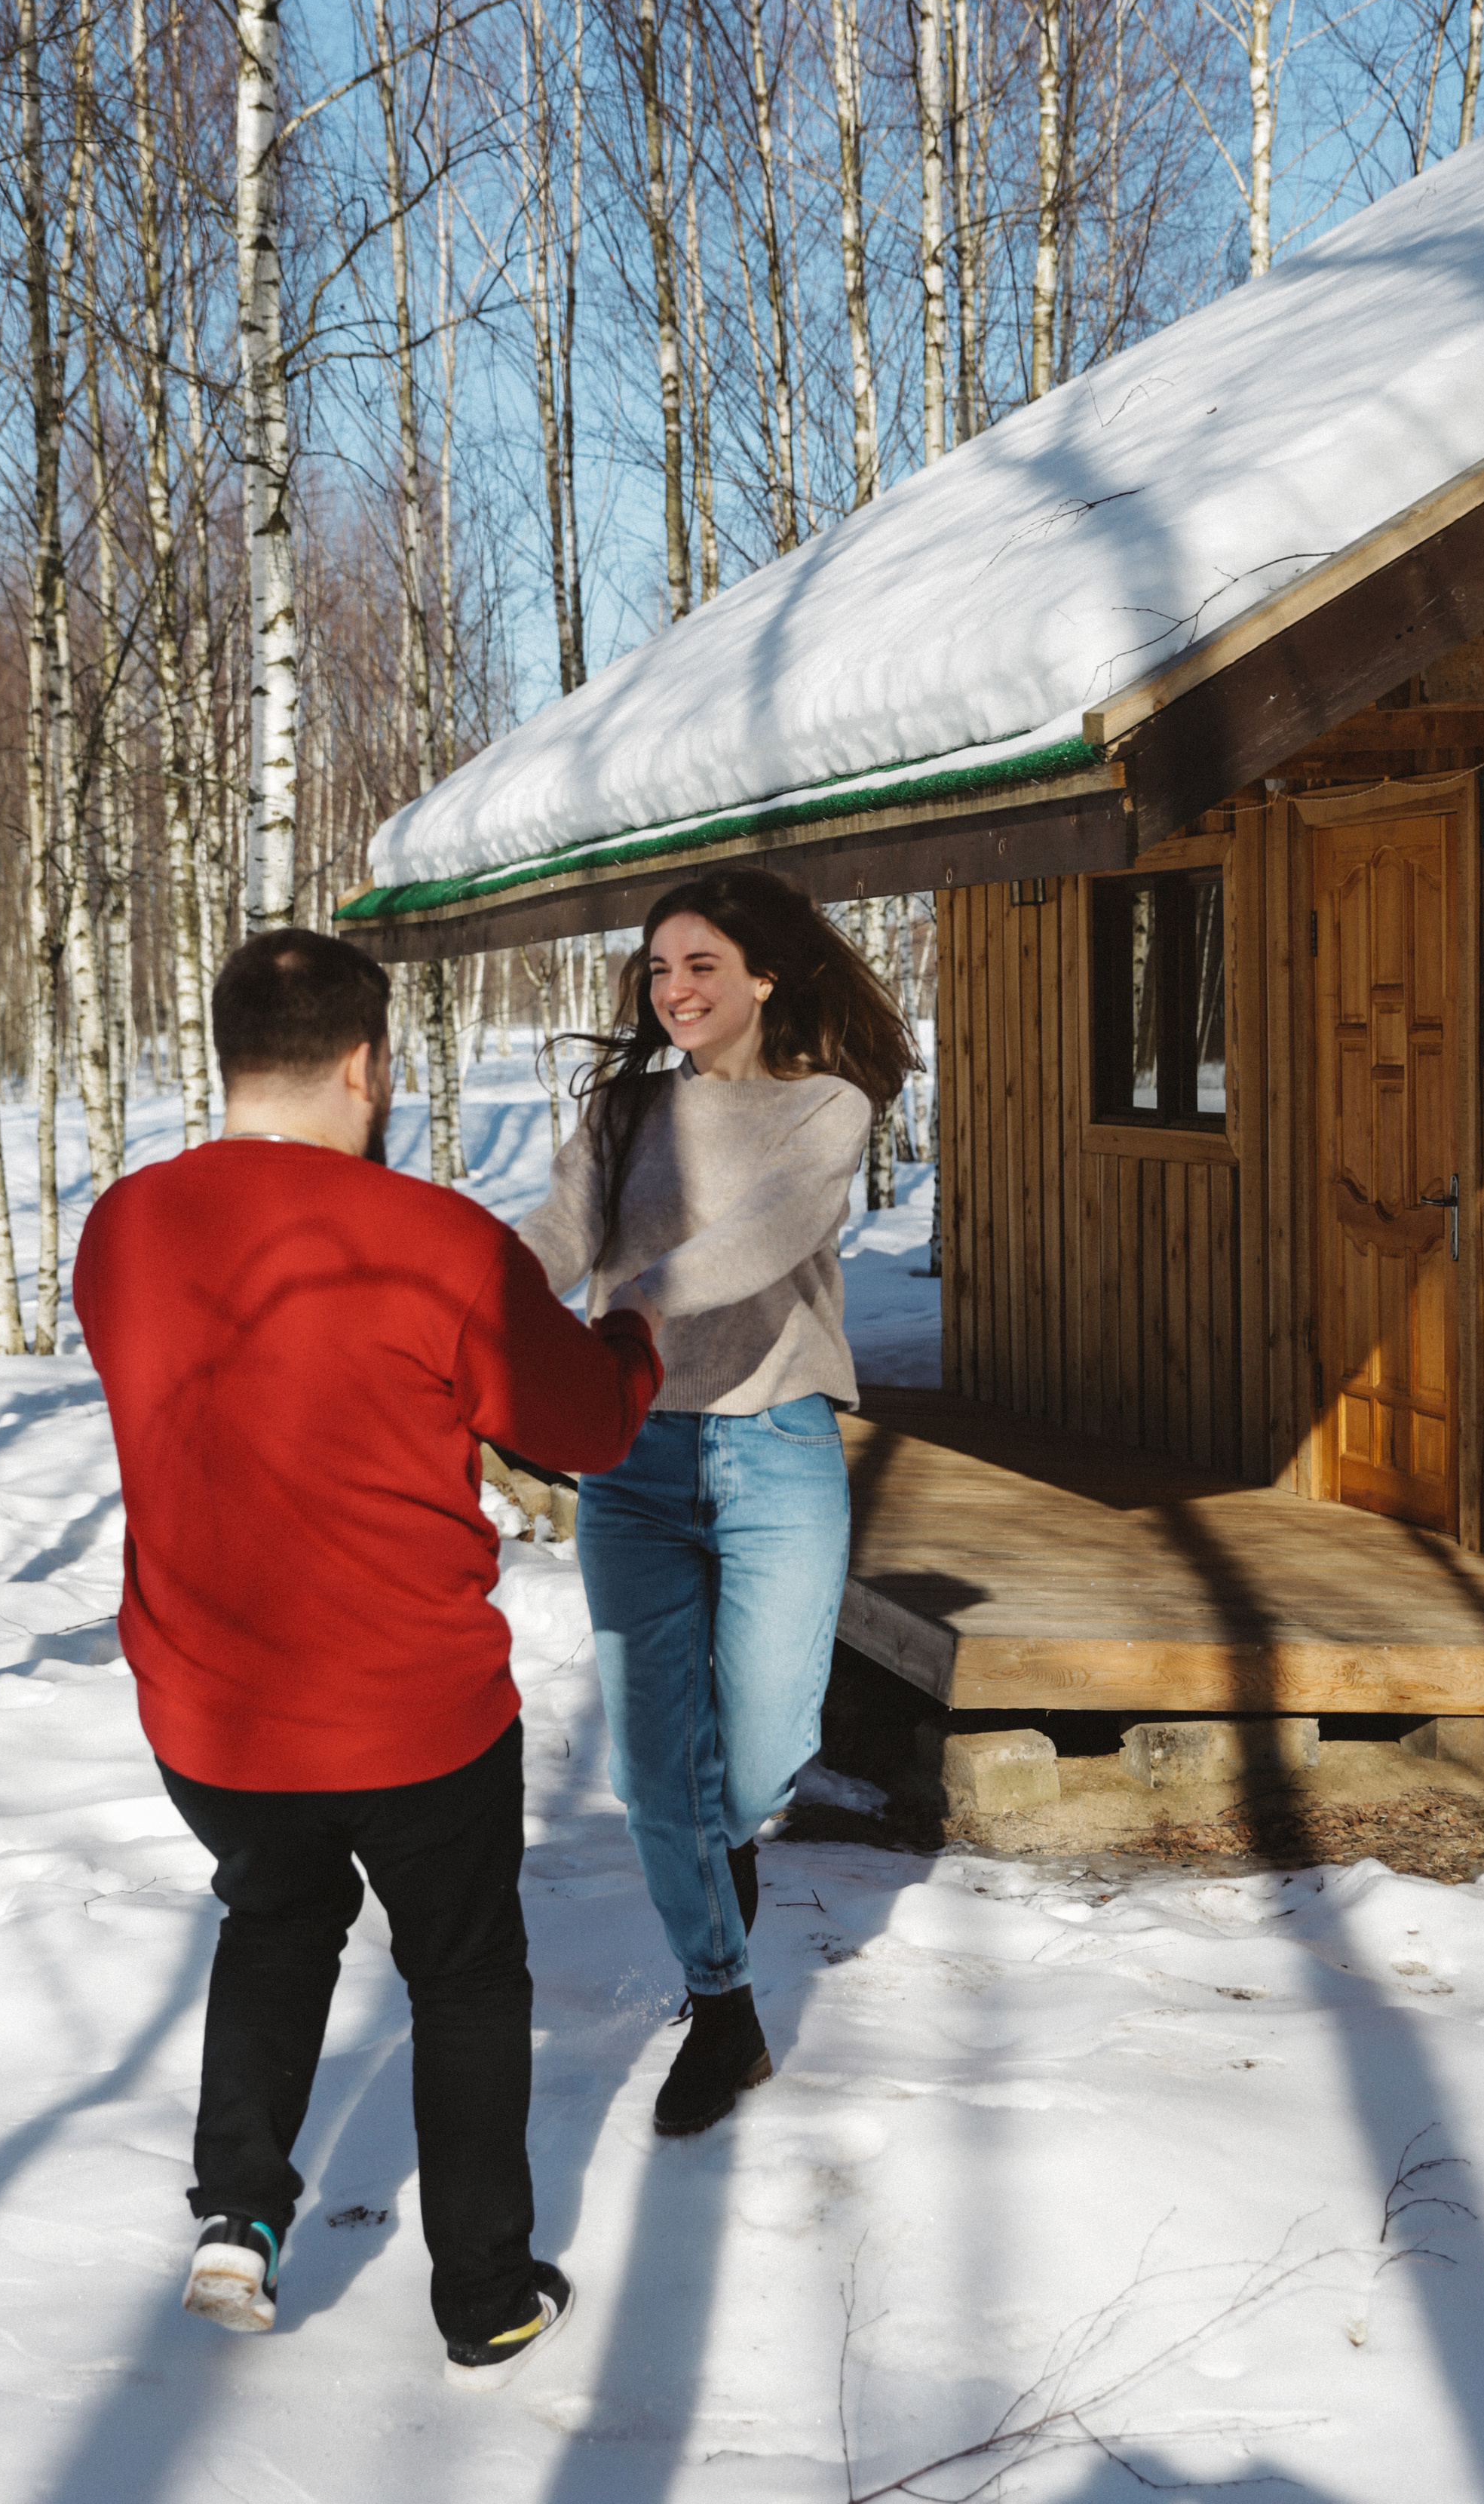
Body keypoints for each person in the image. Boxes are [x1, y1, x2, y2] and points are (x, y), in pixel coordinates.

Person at [72, 930, 662, 2387]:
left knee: (275, 1921)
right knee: (463, 1978)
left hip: (212, 1713)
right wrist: (633, 1335)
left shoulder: (124, 1228)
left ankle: (239, 2214)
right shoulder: (436, 1240)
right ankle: (487, 2296)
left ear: (228, 1058)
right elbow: (585, 1427)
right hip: (413, 1713)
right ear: (367, 1064)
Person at [517, 870, 913, 2138]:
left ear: (764, 976)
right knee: (655, 1771)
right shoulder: (627, 1111)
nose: (675, 990)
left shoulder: (826, 1107)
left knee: (757, 1758)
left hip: (774, 1451)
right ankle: (723, 2007)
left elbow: (761, 1239)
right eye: (659, 969)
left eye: (701, 965)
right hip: (632, 1461)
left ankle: (711, 1854)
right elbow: (556, 1235)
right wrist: (477, 1290)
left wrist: (641, 1297)